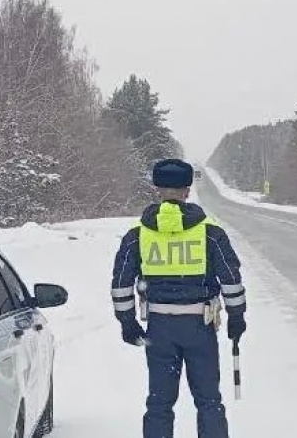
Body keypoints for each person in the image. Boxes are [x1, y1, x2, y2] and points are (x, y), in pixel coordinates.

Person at [110, 158, 247, 438]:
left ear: (157, 189)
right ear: (188, 189)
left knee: (159, 403)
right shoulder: (210, 234)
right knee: (209, 401)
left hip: (160, 328)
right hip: (200, 326)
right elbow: (231, 280)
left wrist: (127, 321)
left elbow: (121, 283)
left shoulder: (137, 236)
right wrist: (236, 317)